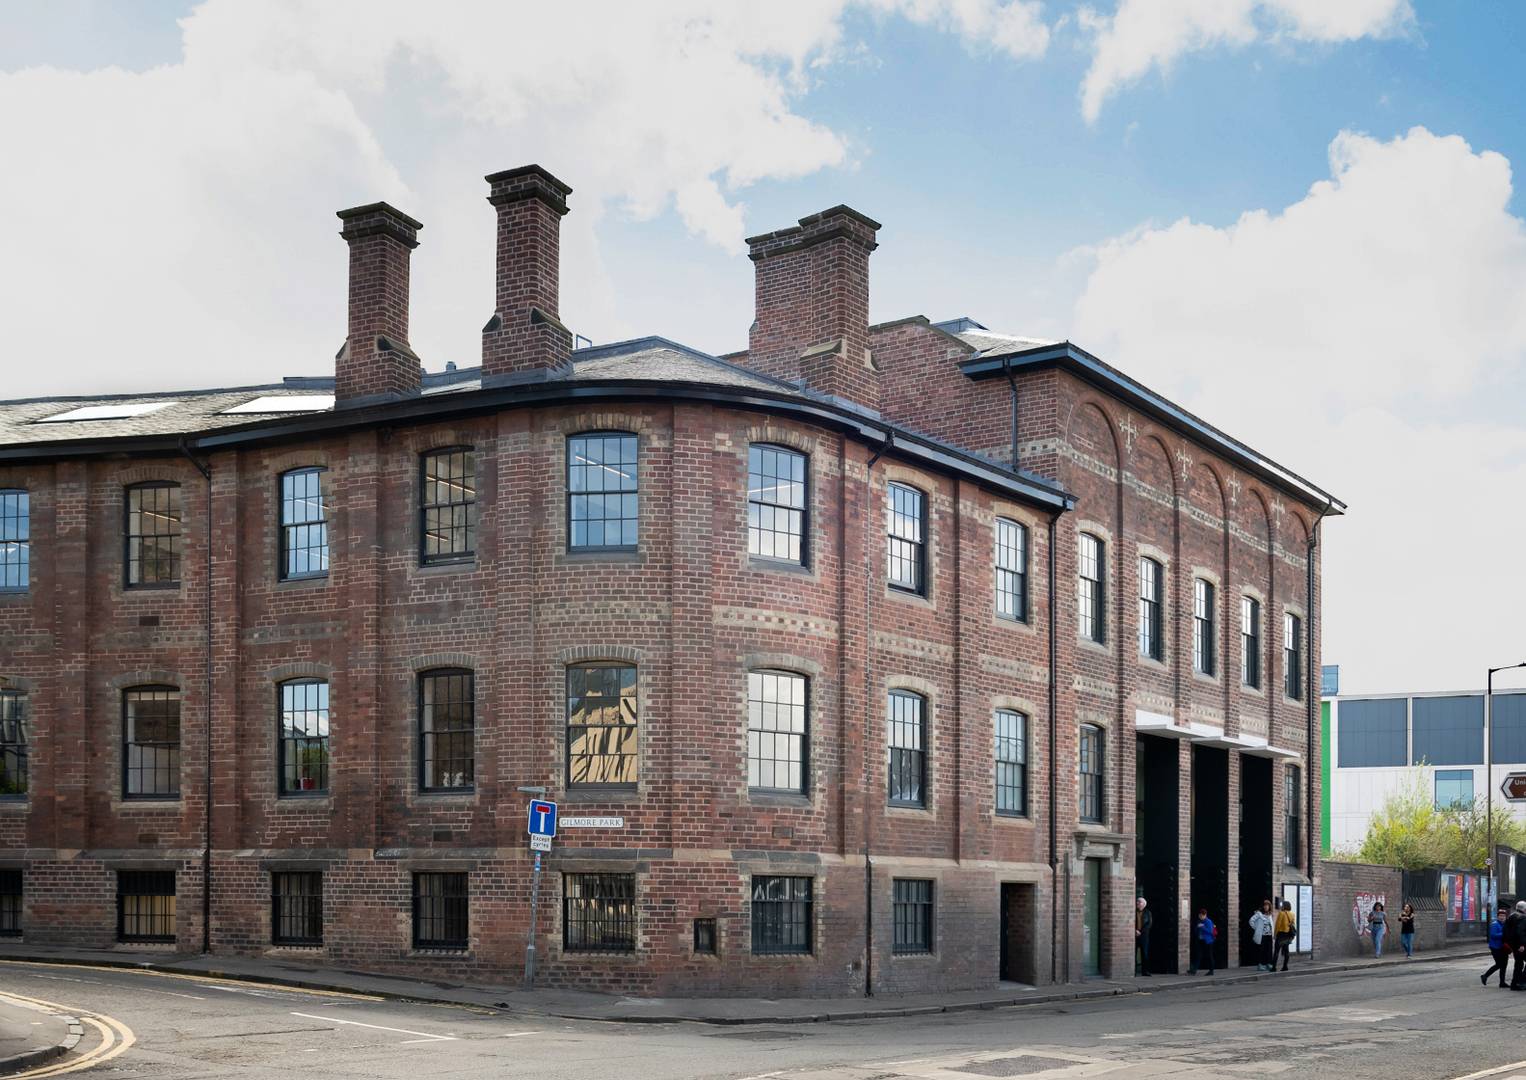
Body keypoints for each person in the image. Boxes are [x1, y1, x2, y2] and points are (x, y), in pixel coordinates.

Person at [1483, 905, 1510, 988]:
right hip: (1495, 947)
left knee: (1504, 964)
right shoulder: (1495, 924)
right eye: (1500, 916)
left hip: (1504, 947)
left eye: (1503, 916)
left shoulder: (1505, 924)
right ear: (1497, 916)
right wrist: (1504, 934)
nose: (1502, 917)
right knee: (1499, 964)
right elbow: (1493, 935)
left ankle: (1502, 982)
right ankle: (1485, 976)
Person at [1249, 899, 1275, 971]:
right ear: (1263, 906)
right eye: (1265, 905)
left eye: (1267, 905)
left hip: (1269, 935)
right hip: (1262, 935)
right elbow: (1251, 921)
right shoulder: (1259, 914)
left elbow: (1272, 924)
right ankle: (1261, 964)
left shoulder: (1270, 914)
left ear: (1270, 906)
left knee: (1269, 950)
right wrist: (1256, 928)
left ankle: (1268, 964)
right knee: (1262, 951)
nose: (1266, 907)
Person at [1189, 908, 1216, 975]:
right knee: (1198, 955)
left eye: (1202, 915)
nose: (1200, 917)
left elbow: (1210, 931)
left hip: (1208, 941)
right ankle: (1194, 970)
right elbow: (1196, 931)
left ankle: (1211, 971)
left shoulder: (1208, 921)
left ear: (1205, 915)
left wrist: (1202, 927)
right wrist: (1197, 927)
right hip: (1200, 941)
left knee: (1209, 956)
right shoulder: (1199, 921)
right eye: (1200, 915)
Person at [1507, 901, 1526, 990]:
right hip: (1521, 946)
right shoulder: (1523, 917)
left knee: (1518, 964)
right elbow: (1520, 931)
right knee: (1519, 964)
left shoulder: (1511, 916)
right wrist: (1522, 944)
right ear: (1524, 909)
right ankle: (1521, 980)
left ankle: (1514, 984)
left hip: (1513, 945)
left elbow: (1506, 931)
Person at [1273, 899, 1296, 972]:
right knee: (1286, 951)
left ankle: (1273, 967)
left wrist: (1275, 934)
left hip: (1281, 934)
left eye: (1282, 905)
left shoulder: (1281, 913)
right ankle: (1285, 966)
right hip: (1288, 934)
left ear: (1284, 906)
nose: (1281, 906)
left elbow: (1277, 925)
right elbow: (1293, 924)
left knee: (1276, 951)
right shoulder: (1292, 914)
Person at [1135, 896, 1153, 976]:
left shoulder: (1147, 913)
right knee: (1134, 953)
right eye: (1137, 901)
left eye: (1139, 902)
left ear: (1144, 904)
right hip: (1134, 935)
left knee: (1144, 953)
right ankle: (1134, 971)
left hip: (1144, 936)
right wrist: (1135, 930)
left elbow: (1148, 924)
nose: (1137, 903)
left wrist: (1140, 932)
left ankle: (1145, 971)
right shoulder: (1133, 911)